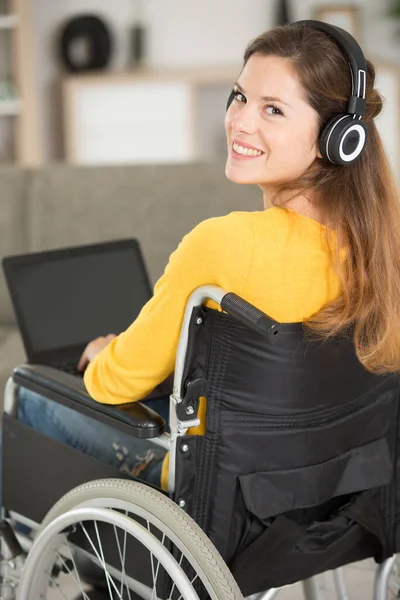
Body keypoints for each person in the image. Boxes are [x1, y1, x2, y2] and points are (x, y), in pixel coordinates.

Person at [15, 21, 400, 496]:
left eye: (273, 109)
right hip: (318, 498)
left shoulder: (223, 244)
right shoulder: (381, 251)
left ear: (339, 139)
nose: (240, 121)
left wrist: (98, 357)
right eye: (239, 96)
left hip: (210, 499)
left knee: (29, 391)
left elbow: (114, 385)